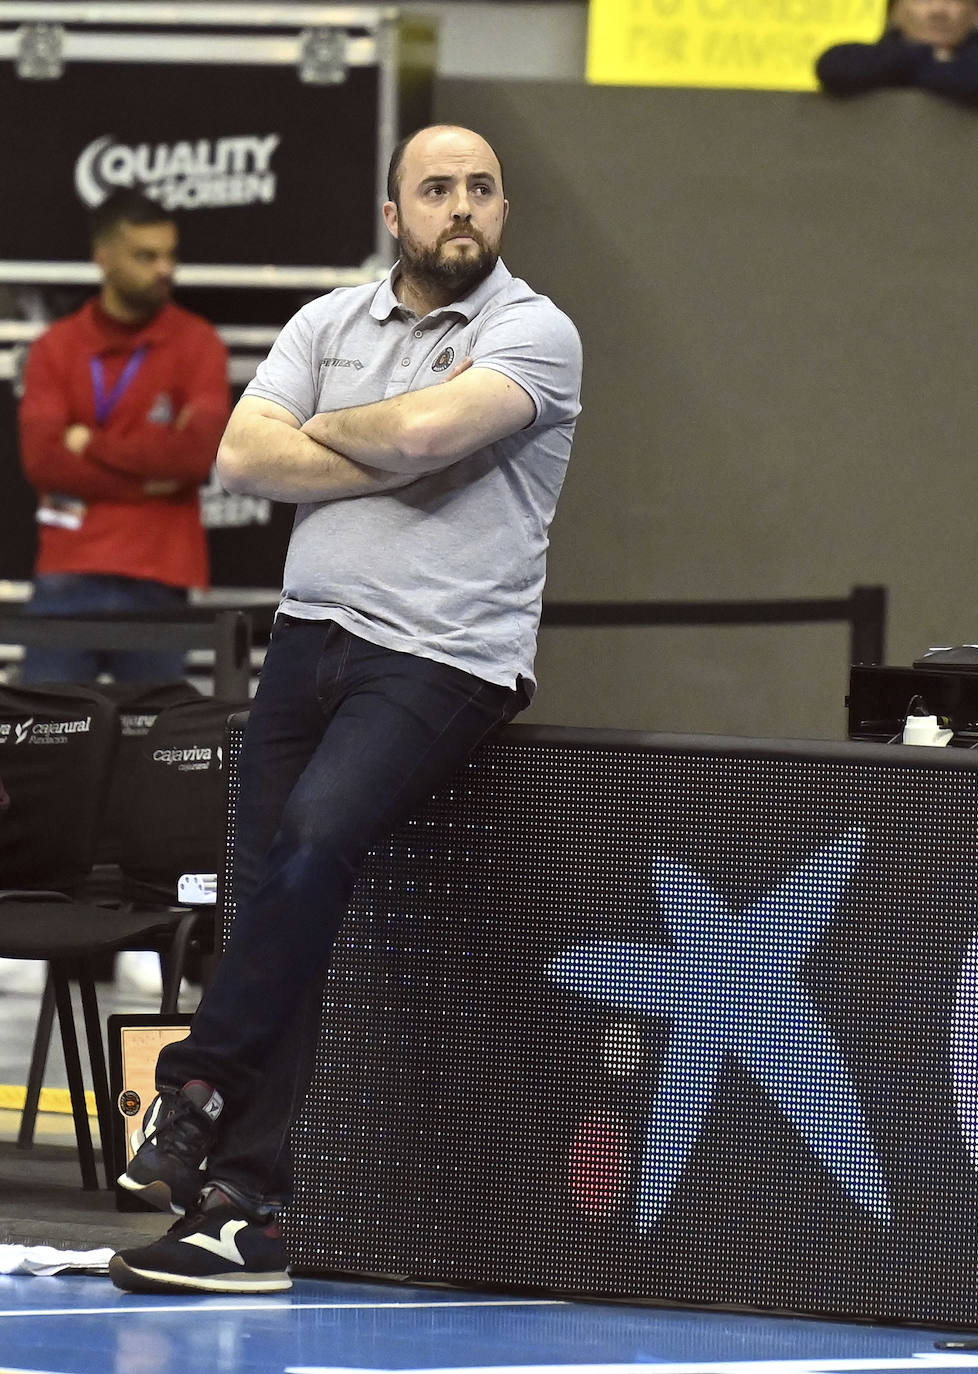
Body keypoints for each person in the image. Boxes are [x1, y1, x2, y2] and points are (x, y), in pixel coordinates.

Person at [108, 123, 583, 1295]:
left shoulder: (534, 330)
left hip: (441, 658)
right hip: (305, 642)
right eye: (435, 190)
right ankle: (245, 1214)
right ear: (394, 216)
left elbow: (423, 431)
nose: (459, 206)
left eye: (480, 188)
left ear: (503, 210)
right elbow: (237, 458)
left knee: (315, 837)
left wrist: (331, 435)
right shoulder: (328, 322)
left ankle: (195, 1090)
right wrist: (385, 449)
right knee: (277, 891)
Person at [17, 189, 229, 683]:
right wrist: (149, 481)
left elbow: (193, 459)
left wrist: (90, 444)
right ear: (103, 257)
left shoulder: (199, 345)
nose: (164, 269)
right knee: (45, 740)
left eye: (170, 255)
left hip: (159, 574)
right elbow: (44, 463)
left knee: (157, 749)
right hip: (68, 569)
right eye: (146, 256)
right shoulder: (55, 348)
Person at [815, 0, 978, 101]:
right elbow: (833, 68)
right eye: (922, 0)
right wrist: (928, 58)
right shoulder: (866, 59)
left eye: (952, 1)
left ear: (975, 11)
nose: (937, 11)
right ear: (895, 11)